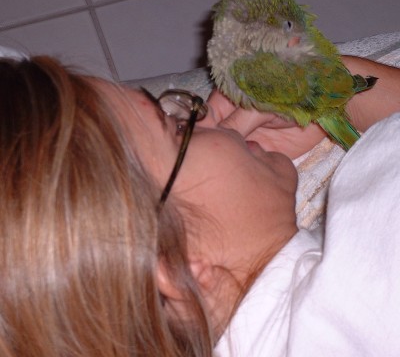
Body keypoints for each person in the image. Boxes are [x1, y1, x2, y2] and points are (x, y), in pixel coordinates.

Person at [0, 52, 399, 357]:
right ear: (175, 269)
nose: (205, 112)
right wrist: (333, 84)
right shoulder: (377, 240)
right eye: (178, 129)